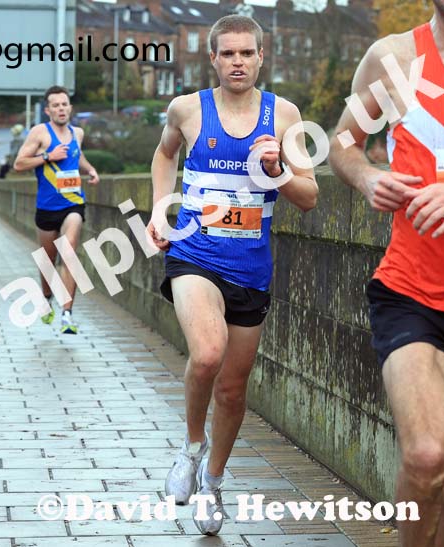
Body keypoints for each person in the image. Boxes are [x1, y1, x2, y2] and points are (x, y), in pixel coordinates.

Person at [146, 15, 318, 535]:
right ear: (213, 59)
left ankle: (213, 481)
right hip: (194, 252)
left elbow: (310, 196)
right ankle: (190, 448)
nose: (237, 62)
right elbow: (164, 154)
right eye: (228, 54)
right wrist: (159, 210)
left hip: (251, 267)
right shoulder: (187, 109)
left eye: (247, 53)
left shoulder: (284, 115)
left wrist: (278, 172)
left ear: (261, 57)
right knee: (208, 354)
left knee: (233, 389)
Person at [328, 3, 444, 545]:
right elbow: (342, 142)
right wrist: (366, 177)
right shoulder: (395, 57)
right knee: (427, 456)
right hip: (414, 293)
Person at [12, 85, 100, 334]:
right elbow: (19, 163)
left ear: (70, 107)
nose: (61, 109)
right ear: (48, 110)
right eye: (56, 105)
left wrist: (90, 169)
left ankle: (67, 315)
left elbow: (77, 156)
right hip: (46, 207)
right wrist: (48, 157)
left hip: (73, 203)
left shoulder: (77, 133)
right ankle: (47, 297)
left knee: (68, 251)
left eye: (64, 104)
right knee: (48, 262)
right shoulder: (40, 132)